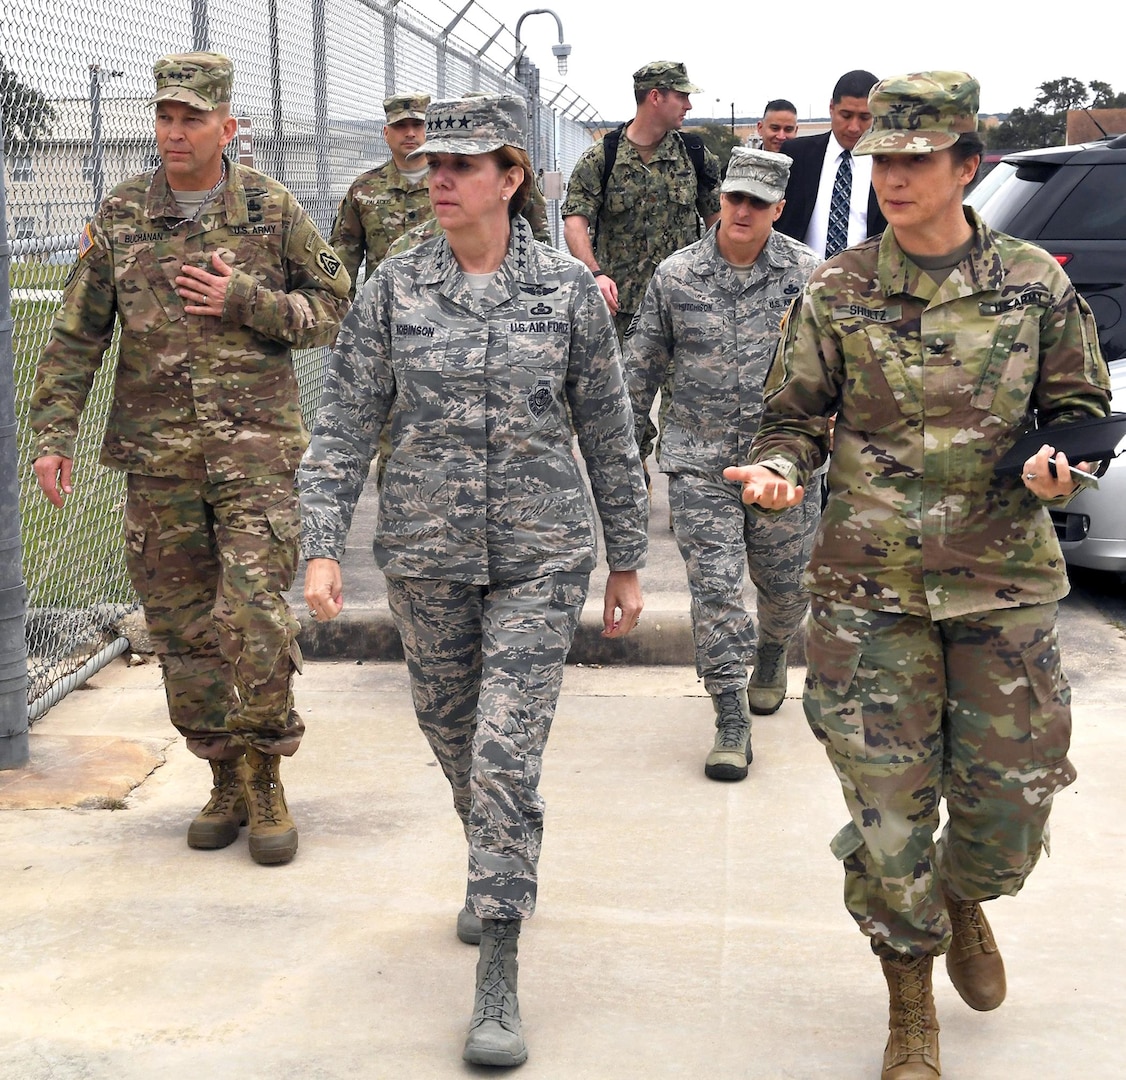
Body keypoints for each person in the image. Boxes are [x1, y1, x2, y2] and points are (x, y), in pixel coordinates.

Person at [723, 72, 1110, 1079]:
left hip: (1002, 591)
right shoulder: (837, 289)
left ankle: (968, 893)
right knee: (889, 815)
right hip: (867, 594)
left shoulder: (1034, 281)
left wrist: (1061, 459)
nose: (891, 176)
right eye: (879, 160)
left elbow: (1079, 408)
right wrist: (774, 471)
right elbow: (793, 419)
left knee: (1005, 820)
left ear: (964, 166)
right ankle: (908, 1002)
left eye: (913, 159)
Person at [298, 94, 647, 1069]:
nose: (439, 179)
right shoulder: (394, 289)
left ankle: (498, 959)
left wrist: (626, 559)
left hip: (540, 557)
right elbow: (343, 425)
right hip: (424, 556)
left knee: (502, 753)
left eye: (462, 165)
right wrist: (322, 543)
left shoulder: (565, 291)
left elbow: (609, 434)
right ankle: (496, 852)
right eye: (431, 165)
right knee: (455, 739)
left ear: (511, 175)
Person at [29, 52, 350, 866]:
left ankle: (269, 769)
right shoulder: (123, 214)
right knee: (179, 629)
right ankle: (225, 775)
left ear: (227, 127)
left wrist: (251, 302)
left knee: (251, 614)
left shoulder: (271, 213)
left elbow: (333, 309)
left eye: (192, 119)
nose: (175, 132)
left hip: (254, 459)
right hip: (159, 462)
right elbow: (76, 335)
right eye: (166, 117)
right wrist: (53, 436)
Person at [625, 147, 821, 783]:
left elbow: (833, 372)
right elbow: (642, 365)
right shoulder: (675, 276)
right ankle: (729, 716)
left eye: (758, 203)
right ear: (721, 200)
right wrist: (631, 447)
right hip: (699, 466)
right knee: (714, 595)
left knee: (786, 590)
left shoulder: (807, 274)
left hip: (783, 471)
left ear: (779, 209)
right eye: (735, 198)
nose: (743, 210)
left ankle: (773, 649)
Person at [562, 60, 722, 486]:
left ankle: (689, 485)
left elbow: (716, 218)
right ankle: (635, 478)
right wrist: (594, 272)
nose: (688, 104)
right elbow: (576, 220)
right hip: (625, 310)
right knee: (625, 404)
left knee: (688, 401)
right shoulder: (603, 157)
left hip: (687, 302)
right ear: (656, 97)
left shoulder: (694, 155)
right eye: (681, 95)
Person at [775, 69, 888, 256]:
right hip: (800, 279)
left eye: (864, 118)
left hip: (868, 280)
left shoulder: (889, 165)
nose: (853, 127)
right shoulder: (796, 156)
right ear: (831, 108)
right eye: (846, 115)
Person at [330, 91, 432, 297]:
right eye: (401, 126)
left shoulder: (451, 183)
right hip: (382, 310)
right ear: (386, 132)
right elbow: (344, 258)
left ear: (429, 130)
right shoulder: (364, 188)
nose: (410, 133)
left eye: (417, 125)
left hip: (440, 309)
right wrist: (343, 315)